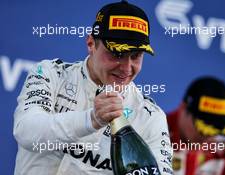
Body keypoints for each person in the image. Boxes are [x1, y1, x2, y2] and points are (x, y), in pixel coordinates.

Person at [13, 1, 173, 174]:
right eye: (117, 53)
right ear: (91, 44)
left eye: (135, 56)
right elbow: (26, 131)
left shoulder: (150, 117)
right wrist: (92, 119)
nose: (127, 68)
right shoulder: (50, 73)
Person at [167, 77, 225, 175]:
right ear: (183, 107)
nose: (209, 137)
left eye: (217, 130)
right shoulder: (152, 134)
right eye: (203, 128)